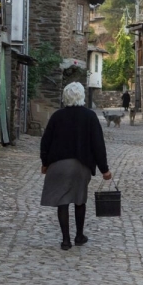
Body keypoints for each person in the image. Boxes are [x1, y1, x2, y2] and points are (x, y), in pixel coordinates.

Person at [40, 82, 112, 250]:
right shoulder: (90, 116)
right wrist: (104, 169)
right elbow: (98, 145)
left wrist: (45, 163)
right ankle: (79, 236)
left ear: (65, 97)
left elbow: (46, 142)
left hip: (58, 165)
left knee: (62, 201)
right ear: (82, 96)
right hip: (81, 165)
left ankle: (66, 240)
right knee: (79, 199)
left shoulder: (57, 116)